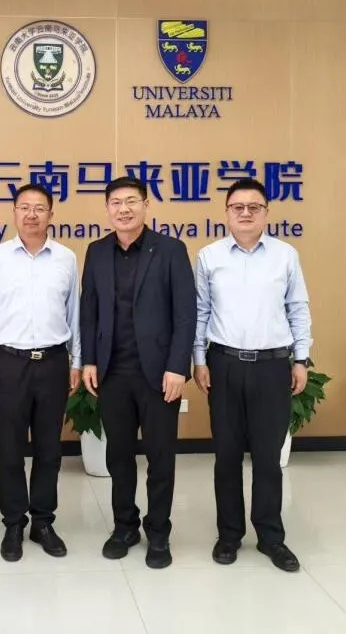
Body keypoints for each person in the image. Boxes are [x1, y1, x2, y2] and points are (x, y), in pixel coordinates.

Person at [192, 177, 312, 573]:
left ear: (266, 213)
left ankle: (271, 537)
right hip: (224, 364)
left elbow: (298, 308)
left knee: (267, 457)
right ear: (226, 213)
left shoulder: (285, 256)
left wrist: (301, 359)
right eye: (237, 207)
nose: (245, 213)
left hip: (273, 366)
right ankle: (229, 535)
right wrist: (199, 360)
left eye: (253, 207)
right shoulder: (209, 256)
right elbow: (200, 312)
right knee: (226, 456)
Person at [79, 176, 195, 569]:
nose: (123, 209)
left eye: (131, 201)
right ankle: (124, 526)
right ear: (107, 208)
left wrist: (178, 366)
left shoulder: (171, 250)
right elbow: (89, 310)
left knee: (161, 457)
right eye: (116, 202)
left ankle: (158, 531)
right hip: (113, 372)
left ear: (146, 205)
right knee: (119, 456)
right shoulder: (97, 251)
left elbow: (185, 314)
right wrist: (90, 360)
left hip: (159, 374)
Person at [0, 183, 82, 562]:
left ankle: (43, 522)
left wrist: (77, 361)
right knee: (10, 450)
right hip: (11, 363)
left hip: (53, 362)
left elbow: (75, 314)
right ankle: (14, 523)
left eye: (39, 208)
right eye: (24, 207)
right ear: (14, 212)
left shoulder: (66, 258)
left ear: (51, 214)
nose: (31, 214)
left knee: (50, 450)